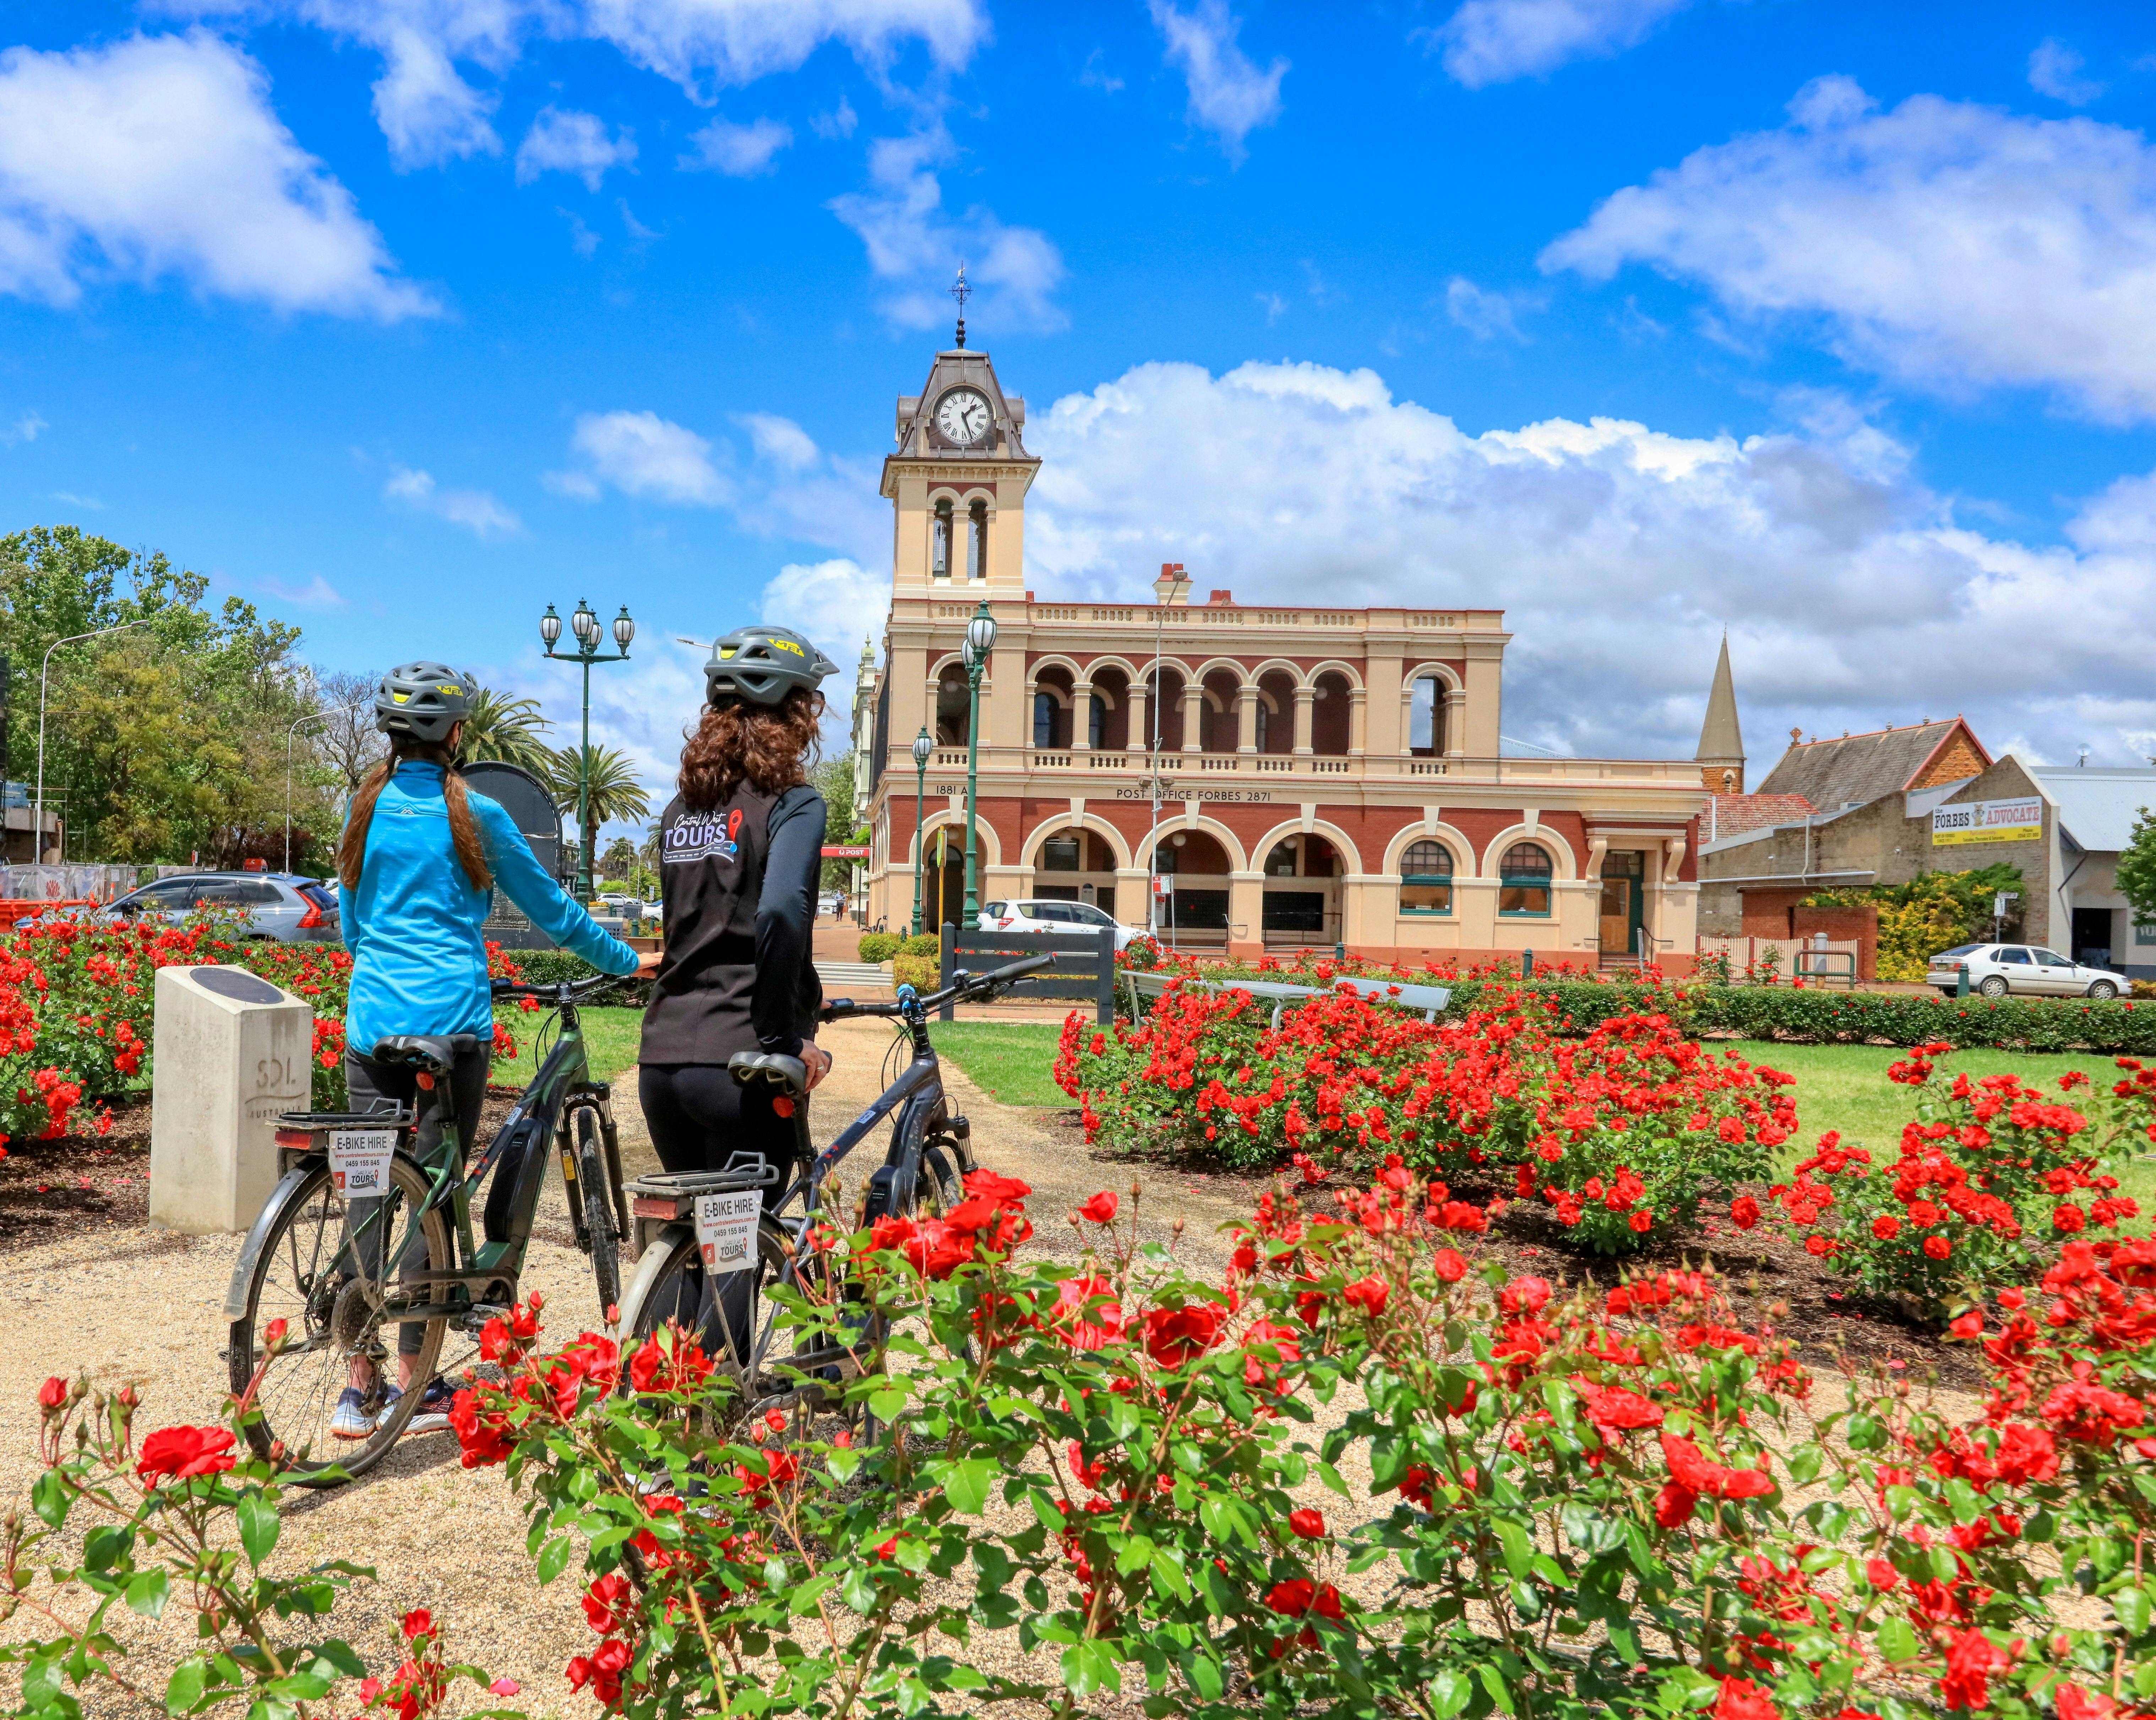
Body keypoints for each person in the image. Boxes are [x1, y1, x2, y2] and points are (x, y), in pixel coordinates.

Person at [332, 661, 650, 1439]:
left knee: (368, 1188)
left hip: (372, 1024)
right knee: (435, 1198)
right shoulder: (476, 813)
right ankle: (417, 1384)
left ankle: (358, 1386)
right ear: (456, 735)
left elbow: (351, 924)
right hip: (450, 1024)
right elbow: (554, 911)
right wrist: (626, 961)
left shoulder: (362, 808)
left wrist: (384, 971)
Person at [639, 625, 835, 1362]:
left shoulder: (680, 810)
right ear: (796, 711)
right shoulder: (793, 803)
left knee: (691, 1249)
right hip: (740, 1069)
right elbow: (781, 913)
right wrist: (784, 1037)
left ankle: (662, 1408)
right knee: (735, 1255)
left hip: (663, 1060)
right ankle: (715, 1421)